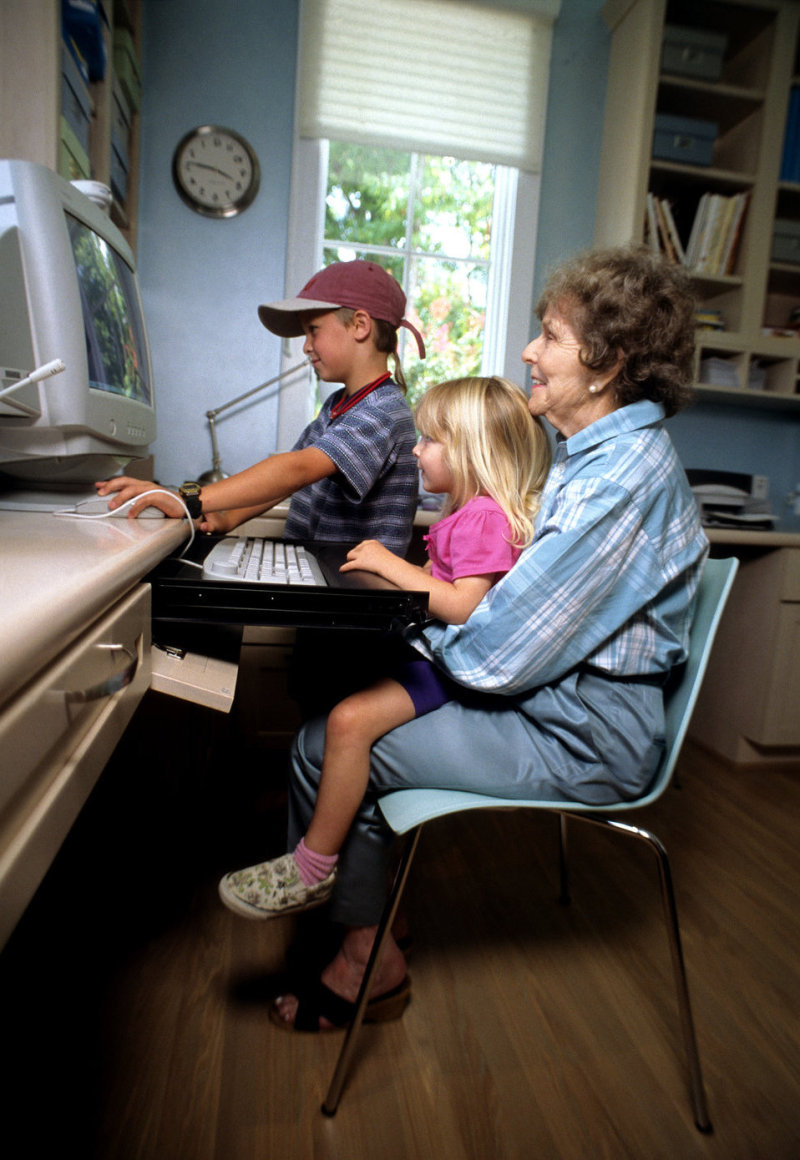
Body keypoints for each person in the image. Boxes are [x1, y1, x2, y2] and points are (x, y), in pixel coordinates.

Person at [237, 244, 709, 1034]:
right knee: (356, 718)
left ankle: (366, 962)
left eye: (551, 336)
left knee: (332, 742)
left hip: (585, 736)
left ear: (609, 361)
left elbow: (496, 656)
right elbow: (503, 621)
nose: (530, 350)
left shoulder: (620, 480)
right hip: (558, 703)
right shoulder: (596, 461)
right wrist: (433, 631)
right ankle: (374, 919)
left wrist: (419, 642)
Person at [218, 376, 551, 923]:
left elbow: (465, 606)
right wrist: (402, 573)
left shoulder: (486, 518)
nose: (416, 450)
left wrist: (389, 564)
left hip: (449, 670)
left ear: (472, 452)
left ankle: (311, 867)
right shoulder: (469, 514)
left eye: (431, 440)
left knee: (349, 721)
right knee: (343, 700)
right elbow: (441, 580)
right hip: (435, 658)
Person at [95, 260, 426, 555]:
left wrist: (188, 498)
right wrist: (229, 515)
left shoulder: (383, 410)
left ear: (360, 325)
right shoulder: (339, 406)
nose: (306, 347)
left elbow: (296, 469)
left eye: (313, 331)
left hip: (359, 607)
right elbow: (289, 483)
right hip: (323, 576)